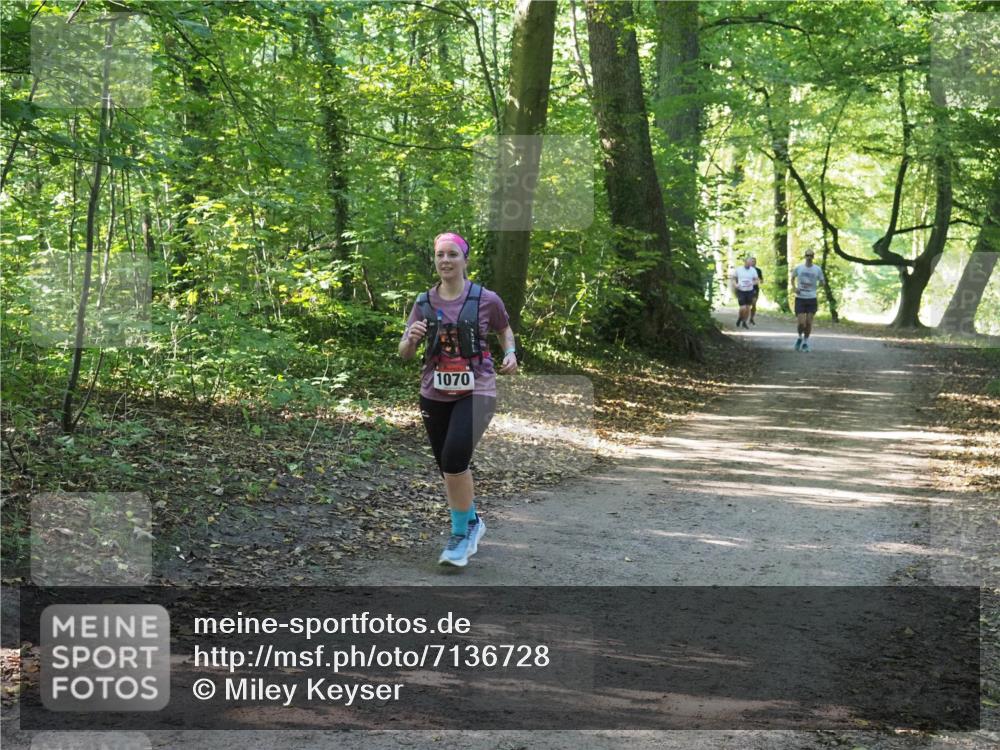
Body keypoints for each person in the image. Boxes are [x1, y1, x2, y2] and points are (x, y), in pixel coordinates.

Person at [399, 232, 517, 567]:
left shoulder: (485, 299)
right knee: (449, 468)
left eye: (452, 254)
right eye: (440, 255)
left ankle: (459, 537)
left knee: (453, 459)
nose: (445, 261)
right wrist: (411, 339)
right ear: (434, 260)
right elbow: (405, 352)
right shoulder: (423, 302)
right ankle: (473, 521)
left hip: (477, 390)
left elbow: (504, 329)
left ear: (465, 259)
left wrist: (510, 352)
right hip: (434, 392)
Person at [791, 250, 825, 352]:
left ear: (813, 257)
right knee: (801, 323)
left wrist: (822, 283)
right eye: (807, 255)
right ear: (804, 256)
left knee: (809, 323)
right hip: (800, 298)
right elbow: (792, 278)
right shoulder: (799, 268)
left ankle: (805, 342)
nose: (809, 257)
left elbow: (822, 280)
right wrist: (794, 288)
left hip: (812, 298)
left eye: (811, 256)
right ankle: (799, 338)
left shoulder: (817, 269)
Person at [729, 256, 759, 329]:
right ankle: (740, 317)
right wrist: (735, 285)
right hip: (741, 290)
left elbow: (756, 280)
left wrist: (752, 283)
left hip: (750, 290)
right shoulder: (739, 270)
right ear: (745, 262)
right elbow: (733, 278)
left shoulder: (753, 270)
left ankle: (744, 322)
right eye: (748, 263)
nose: (749, 264)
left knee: (748, 308)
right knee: (743, 308)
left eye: (750, 263)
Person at [749, 256, 763, 325]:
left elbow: (761, 280)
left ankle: (751, 318)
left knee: (754, 304)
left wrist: (759, 281)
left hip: (755, 289)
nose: (753, 263)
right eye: (752, 261)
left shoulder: (758, 270)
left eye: (754, 261)